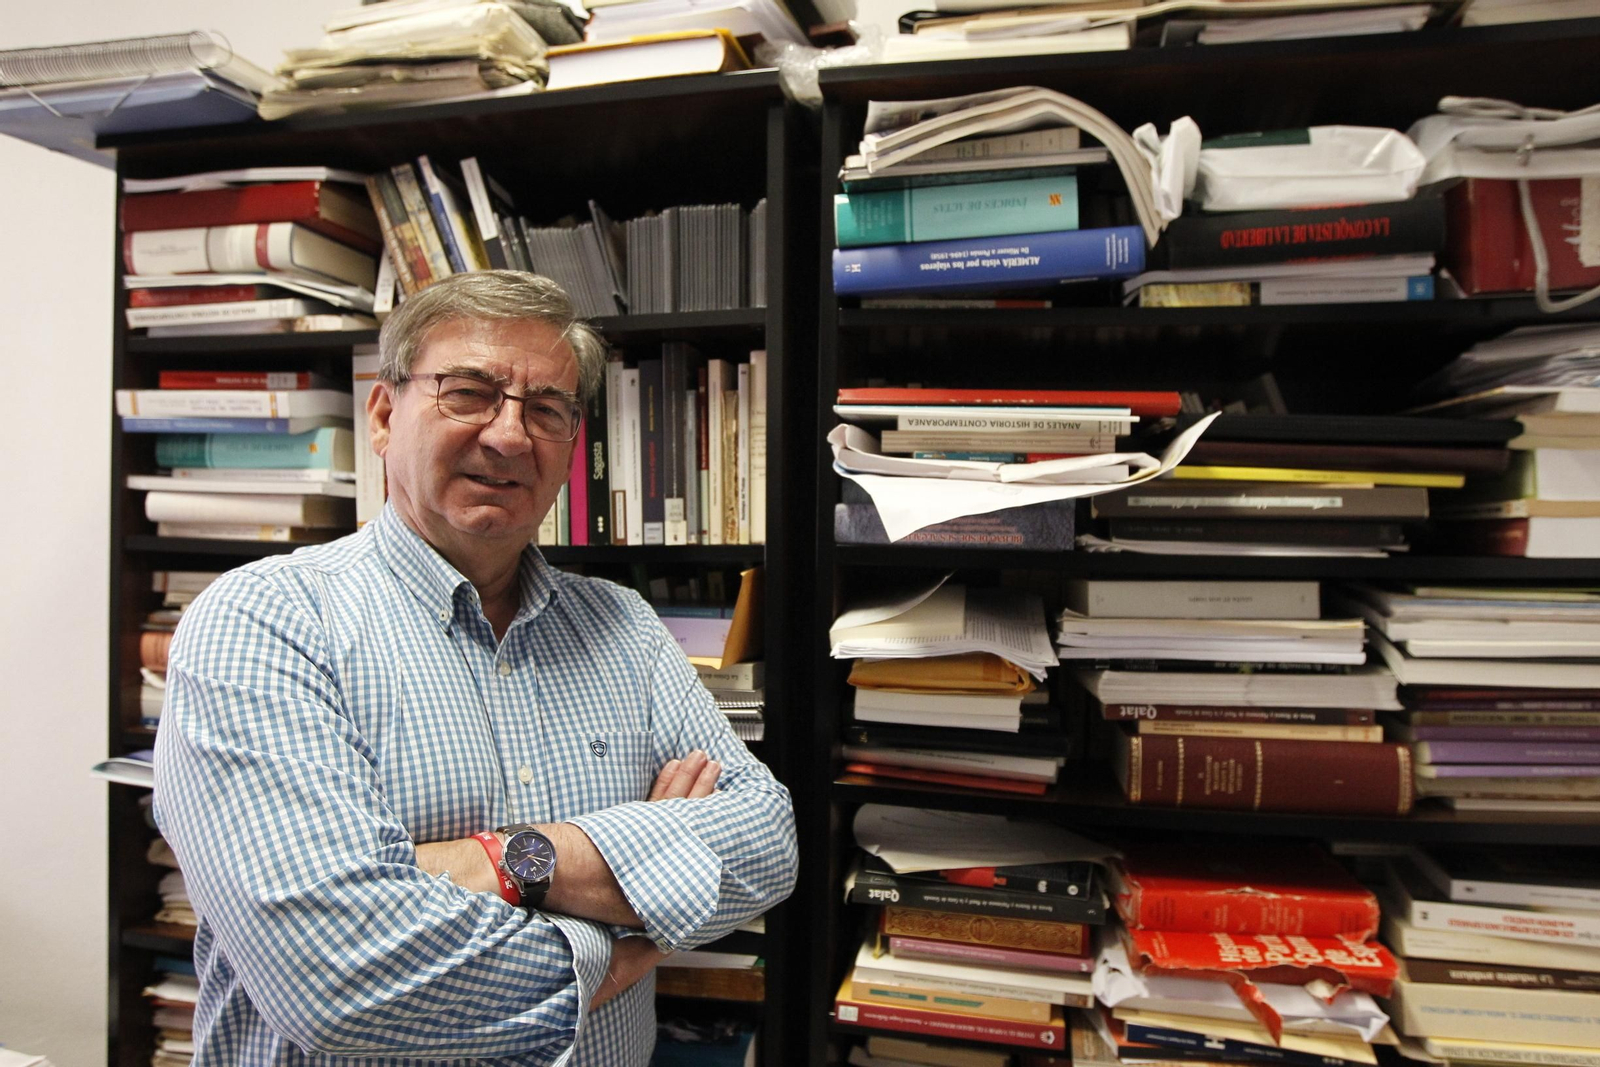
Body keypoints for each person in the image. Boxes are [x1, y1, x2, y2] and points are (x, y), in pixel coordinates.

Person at [153, 271, 798, 1067]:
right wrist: (624, 929)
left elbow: (766, 842)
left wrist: (507, 859)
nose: (509, 436)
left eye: (548, 408)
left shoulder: (624, 625)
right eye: (469, 393)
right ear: (384, 414)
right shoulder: (268, 620)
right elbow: (335, 978)